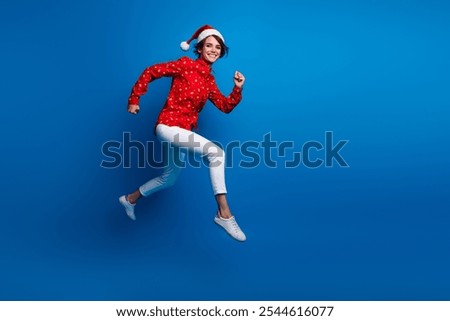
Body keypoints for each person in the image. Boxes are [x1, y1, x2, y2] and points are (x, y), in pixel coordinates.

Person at [119, 25, 247, 241]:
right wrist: (134, 99)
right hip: (168, 127)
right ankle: (224, 213)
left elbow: (225, 106)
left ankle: (130, 199)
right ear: (199, 48)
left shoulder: (209, 81)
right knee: (216, 153)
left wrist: (237, 88)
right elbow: (151, 71)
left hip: (181, 132)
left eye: (218, 47)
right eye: (209, 45)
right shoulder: (185, 64)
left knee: (168, 179)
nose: (214, 50)